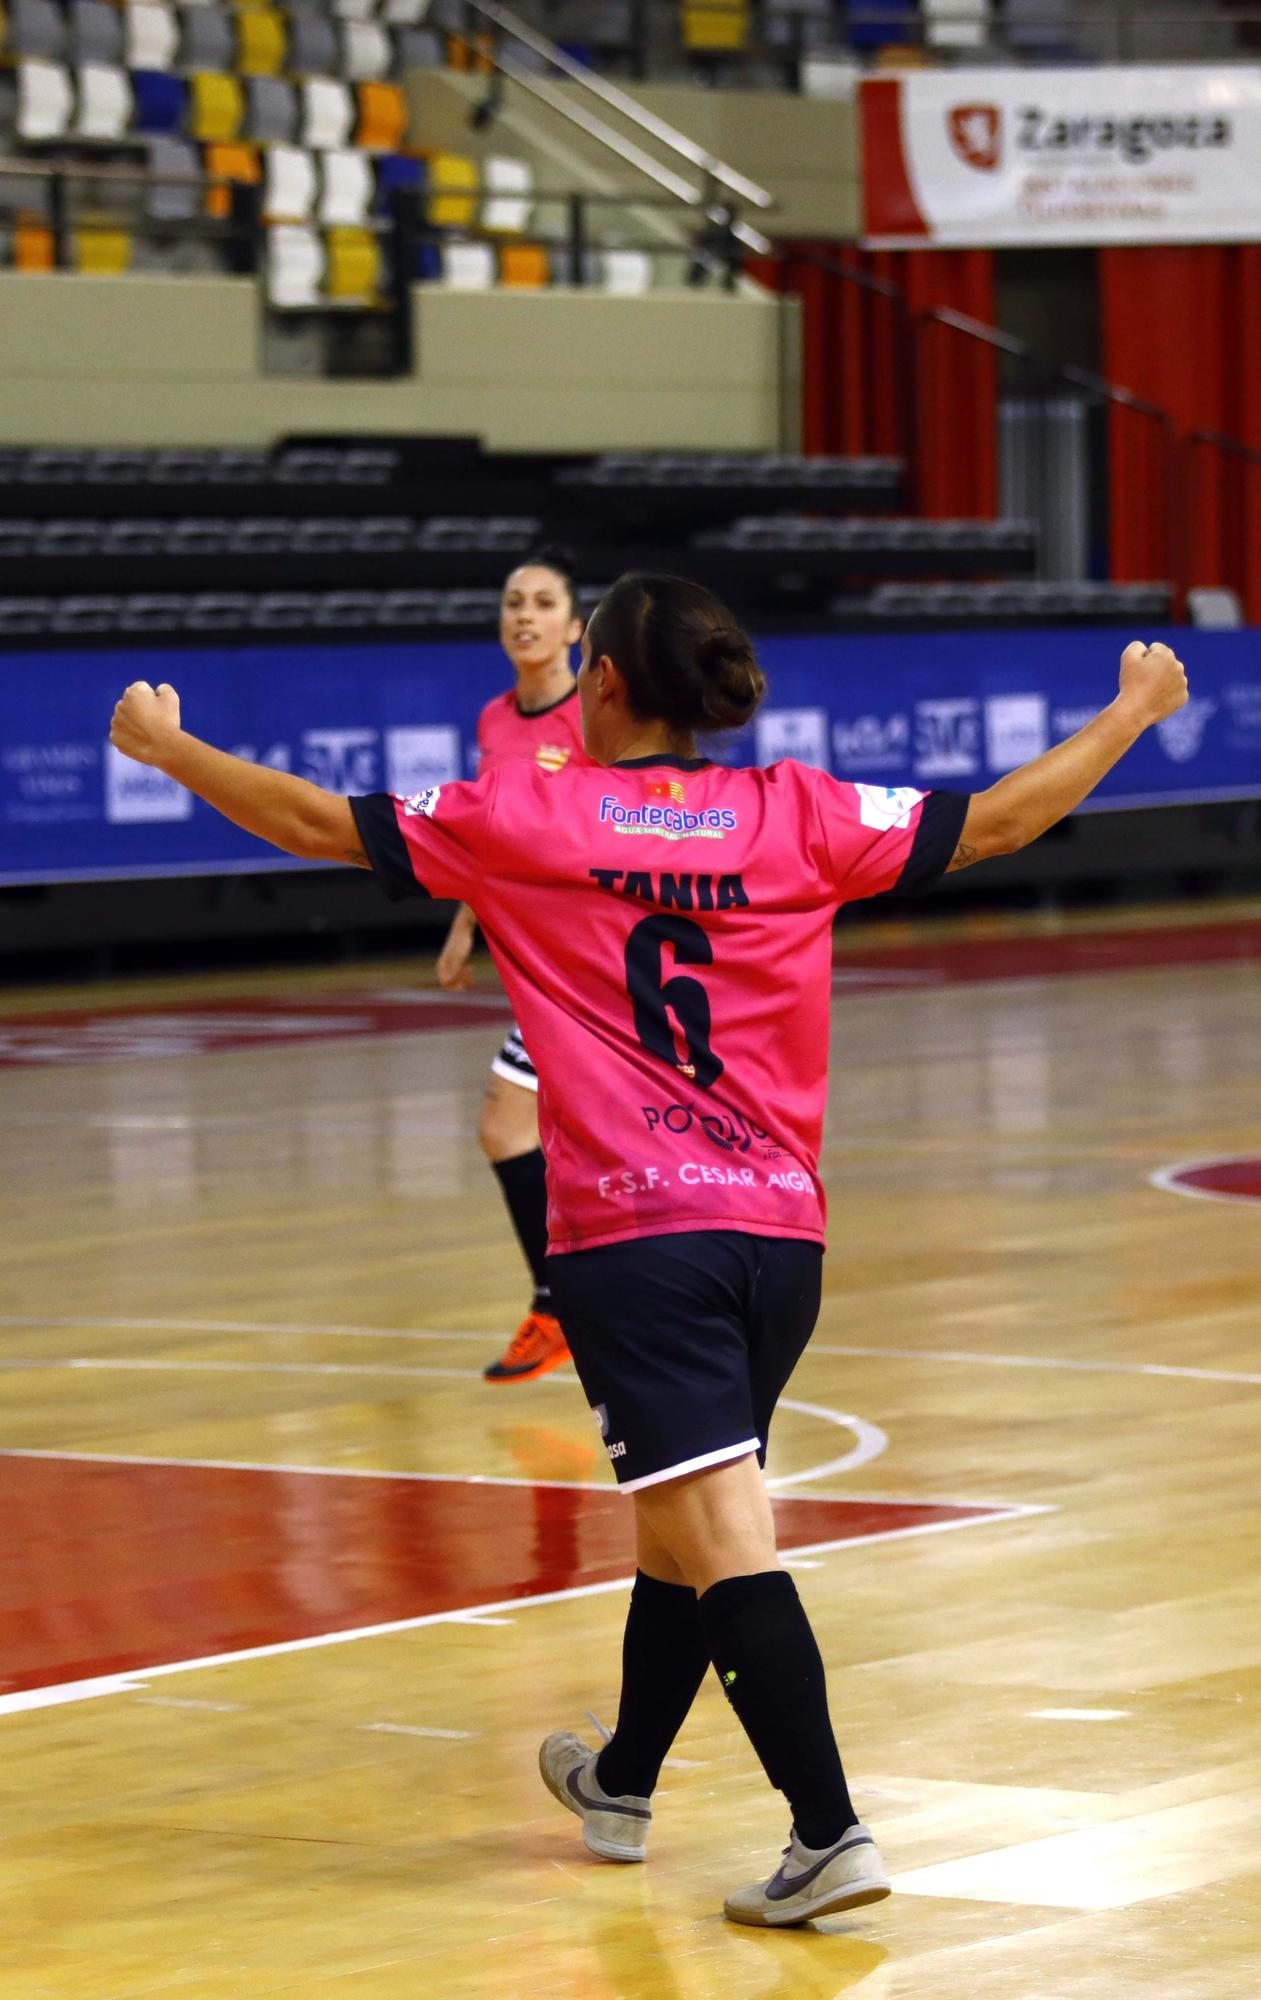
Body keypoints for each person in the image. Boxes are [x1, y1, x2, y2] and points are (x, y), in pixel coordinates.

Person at [109, 579, 1187, 1928]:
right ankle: (620, 1784)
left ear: (600, 683)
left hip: (636, 1236)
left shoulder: (526, 813)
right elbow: (1009, 817)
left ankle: (827, 1832)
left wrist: (167, 749)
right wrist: (1132, 711)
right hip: (779, 1240)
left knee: (720, 1529)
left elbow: (314, 822)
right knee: (679, 1526)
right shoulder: (801, 811)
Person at [435, 546, 586, 1386]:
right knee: (530, 1134)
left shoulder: (596, 722)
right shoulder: (496, 721)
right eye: (511, 603)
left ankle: (564, 1305)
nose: (523, 616)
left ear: (573, 628)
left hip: (587, 966)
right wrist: (467, 928)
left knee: (507, 1127)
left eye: (541, 603)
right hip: (535, 961)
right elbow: (490, 839)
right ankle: (565, 1305)